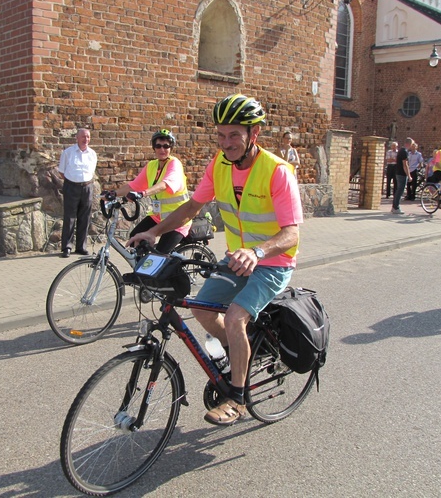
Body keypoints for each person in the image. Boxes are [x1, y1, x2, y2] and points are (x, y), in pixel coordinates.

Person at [128, 94, 302, 426]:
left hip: (273, 263)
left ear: (254, 134)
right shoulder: (218, 165)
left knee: (235, 318)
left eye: (234, 135)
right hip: (235, 260)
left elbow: (291, 233)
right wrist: (154, 232)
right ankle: (243, 352)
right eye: (221, 135)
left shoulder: (277, 172)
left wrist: (257, 252)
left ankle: (236, 397)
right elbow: (192, 207)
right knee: (200, 306)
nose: (226, 143)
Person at [110, 129, 191, 253]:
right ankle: (143, 270)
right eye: (158, 146)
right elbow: (133, 185)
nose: (162, 149)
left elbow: (165, 184)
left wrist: (143, 193)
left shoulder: (175, 164)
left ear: (171, 148)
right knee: (134, 238)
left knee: (160, 253)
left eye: (166, 146)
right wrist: (113, 193)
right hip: (158, 216)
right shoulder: (152, 166)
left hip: (177, 219)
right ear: (154, 148)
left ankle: (163, 270)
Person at [58, 128, 97, 258]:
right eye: (83, 137)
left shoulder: (92, 154)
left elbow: (91, 171)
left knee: (85, 217)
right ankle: (67, 247)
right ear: (77, 138)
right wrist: (74, 181)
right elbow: (62, 172)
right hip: (71, 186)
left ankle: (81, 247)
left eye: (88, 137)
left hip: (87, 187)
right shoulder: (68, 153)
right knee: (70, 217)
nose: (86, 139)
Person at [391, 138, 412, 214]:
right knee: (400, 191)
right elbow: (405, 165)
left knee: (398, 190)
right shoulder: (404, 151)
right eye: (411, 144)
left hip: (398, 172)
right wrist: (409, 175)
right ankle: (396, 207)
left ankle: (394, 206)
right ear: (408, 144)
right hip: (402, 174)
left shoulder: (401, 150)